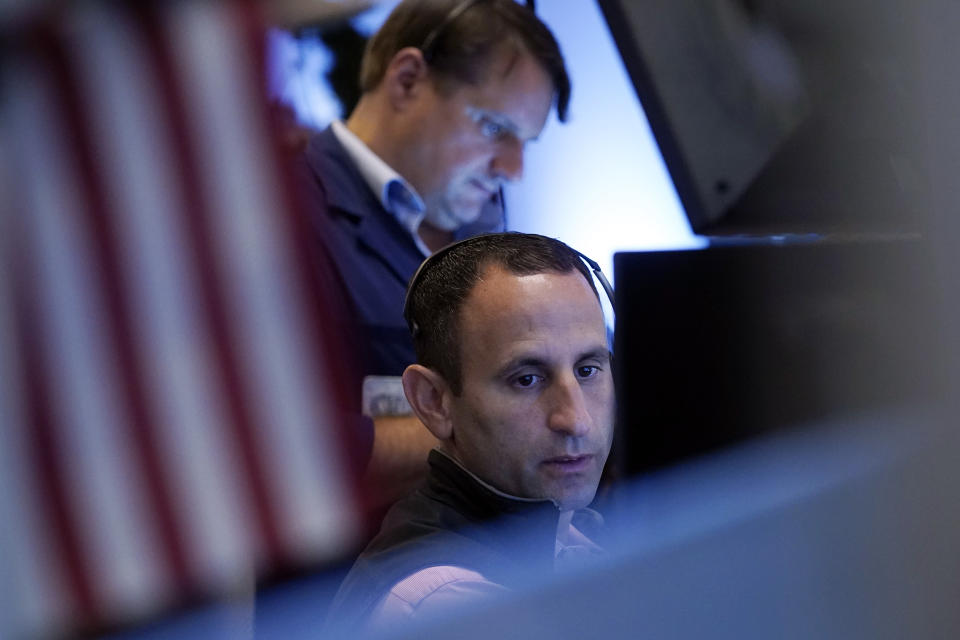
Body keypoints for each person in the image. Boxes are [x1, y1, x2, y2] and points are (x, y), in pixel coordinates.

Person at [292, 0, 572, 505]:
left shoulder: (490, 231)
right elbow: (290, 452)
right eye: (494, 129)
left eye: (526, 142)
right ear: (406, 80)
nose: (513, 169)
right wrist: (507, 432)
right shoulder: (284, 215)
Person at [323, 233, 615, 633]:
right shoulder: (447, 602)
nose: (576, 420)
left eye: (587, 370)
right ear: (434, 402)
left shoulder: (565, 532)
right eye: (527, 379)